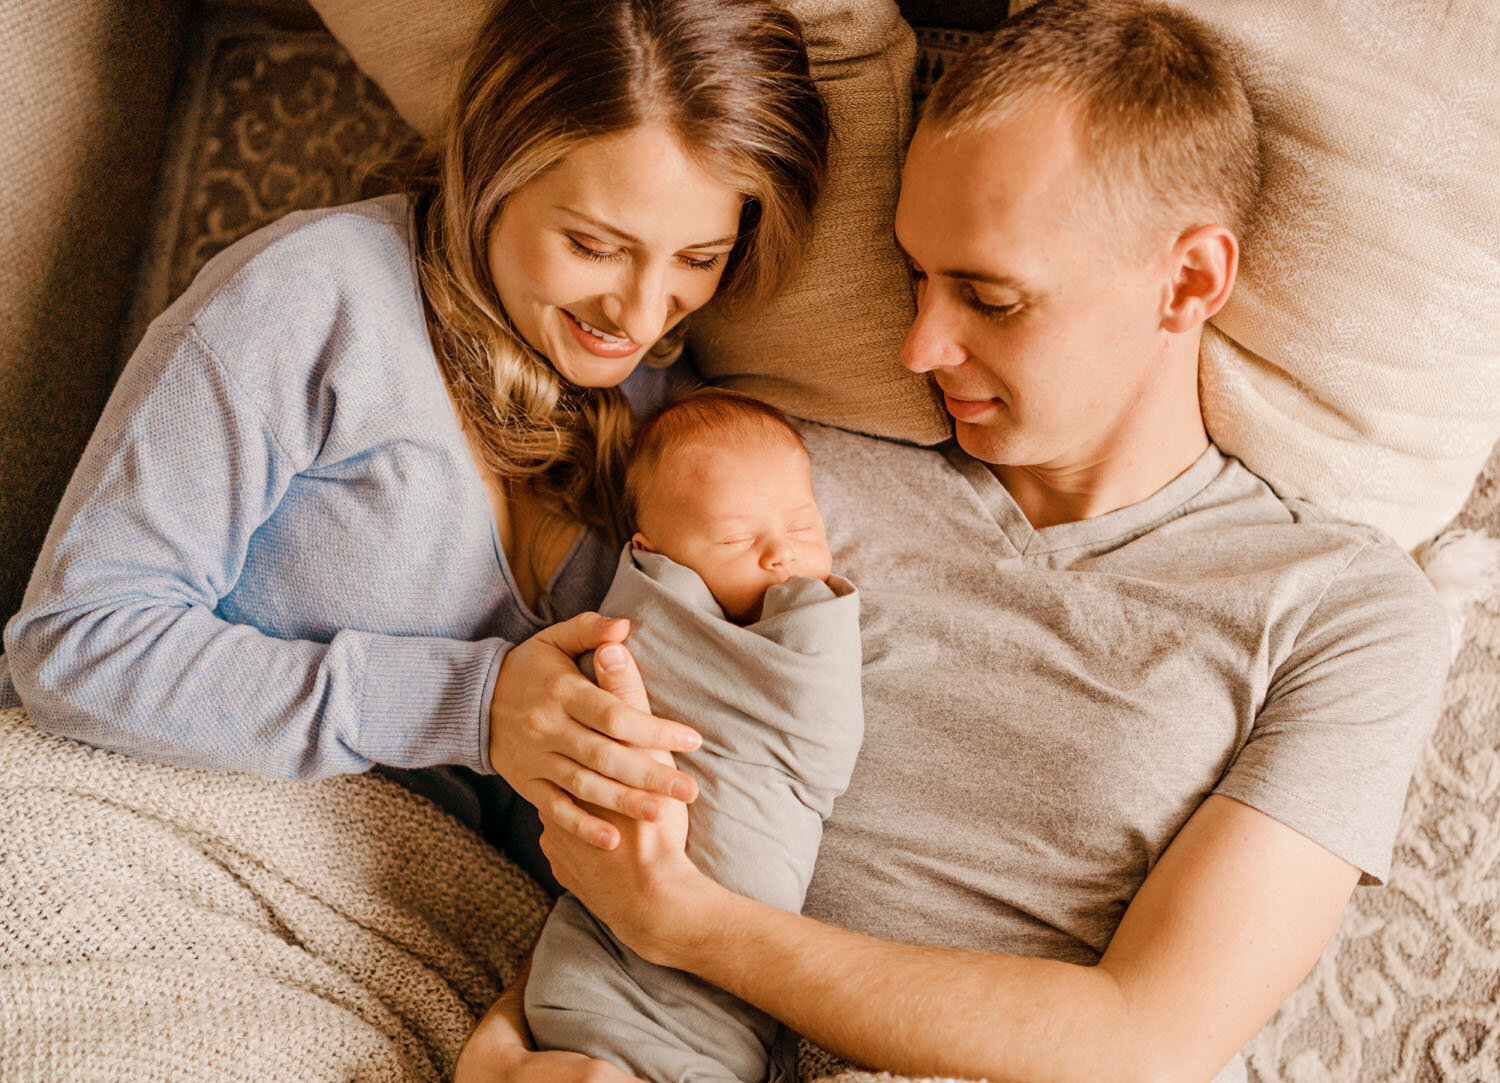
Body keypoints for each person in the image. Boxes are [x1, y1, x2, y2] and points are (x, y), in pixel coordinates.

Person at [463, 2, 1452, 1082]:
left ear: (1190, 281)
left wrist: (687, 926)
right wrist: (532, 1028)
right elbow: (619, 770)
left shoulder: (1340, 613)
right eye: (918, 278)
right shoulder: (778, 483)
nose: (921, 342)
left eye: (988, 297)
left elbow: (1146, 1038)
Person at [0, 0, 828, 909]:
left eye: (698, 259)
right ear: (491, 170)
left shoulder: (663, 407)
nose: (640, 314)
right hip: (154, 830)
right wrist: (465, 704)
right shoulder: (313, 301)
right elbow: (75, 645)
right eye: (594, 245)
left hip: (411, 903)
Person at [525, 388, 861, 1083]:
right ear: (651, 556)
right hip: (599, 969)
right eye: (737, 538)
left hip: (718, 985)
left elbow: (821, 753)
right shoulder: (634, 631)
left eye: (803, 525)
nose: (781, 557)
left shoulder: (796, 668)